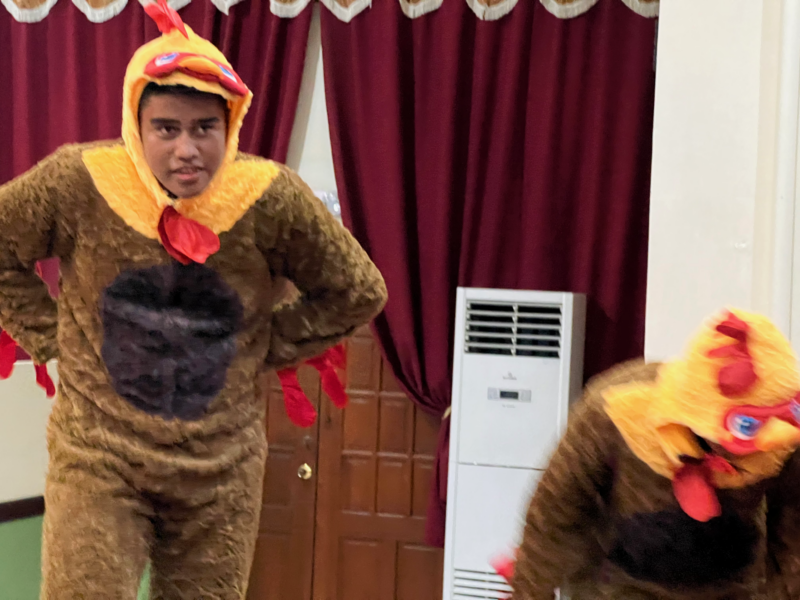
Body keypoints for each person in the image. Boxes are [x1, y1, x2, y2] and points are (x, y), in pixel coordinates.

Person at [0, 2, 387, 598]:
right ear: (136, 124)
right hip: (98, 455)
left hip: (219, 471)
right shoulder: (79, 180)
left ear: (230, 124)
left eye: (205, 128)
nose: (187, 149)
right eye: (167, 129)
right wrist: (51, 336)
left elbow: (358, 290)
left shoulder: (271, 197)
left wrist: (261, 345)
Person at [507, 308, 800, 599]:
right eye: (747, 427)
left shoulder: (785, 436)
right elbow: (557, 515)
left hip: (732, 585)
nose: (766, 444)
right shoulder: (612, 408)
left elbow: (793, 535)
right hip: (613, 586)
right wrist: (529, 593)